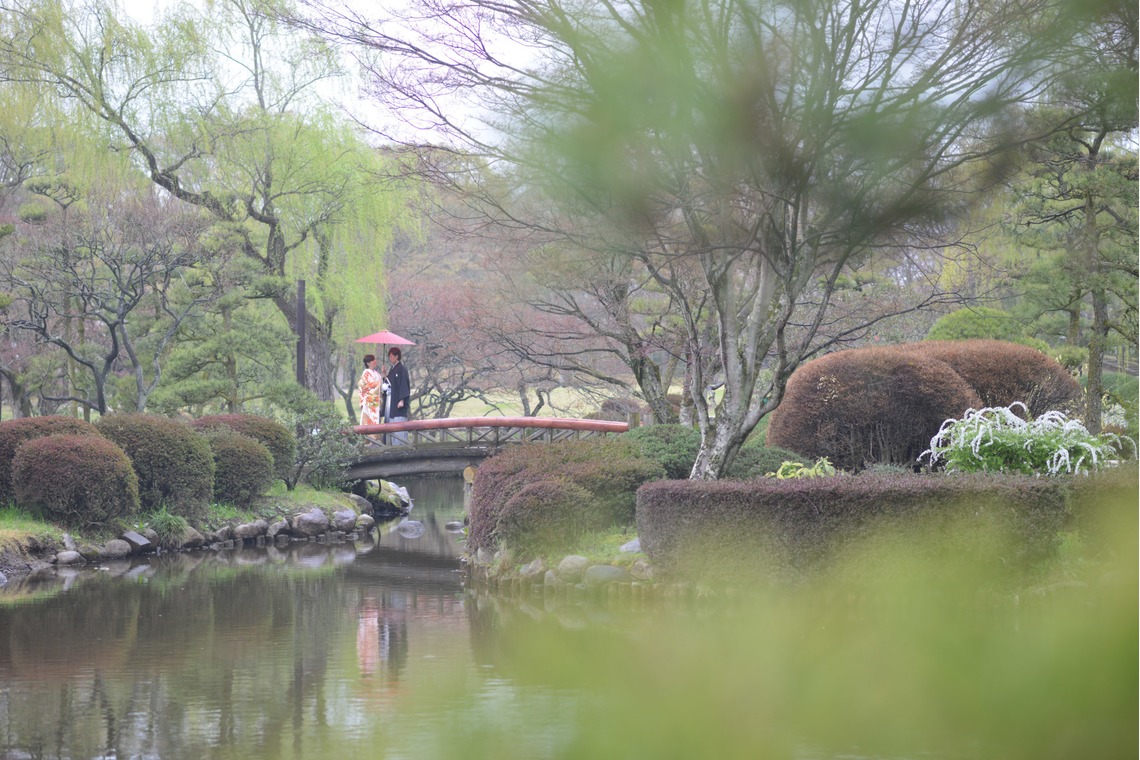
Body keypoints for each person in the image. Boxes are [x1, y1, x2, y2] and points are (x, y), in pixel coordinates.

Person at [386, 347, 411, 445]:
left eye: (391, 356)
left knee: (399, 426)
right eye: (389, 356)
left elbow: (404, 385)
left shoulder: (402, 369)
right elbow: (389, 383)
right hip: (392, 402)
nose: (390, 358)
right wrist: (385, 375)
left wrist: (402, 400)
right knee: (393, 425)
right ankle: (394, 446)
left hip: (399, 403)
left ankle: (401, 446)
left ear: (397, 356)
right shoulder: (393, 369)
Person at [357, 354, 384, 443]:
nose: (375, 361)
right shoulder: (366, 373)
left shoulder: (377, 373)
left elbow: (380, 386)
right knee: (369, 420)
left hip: (376, 400)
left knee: (376, 420)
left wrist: (383, 377)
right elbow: (364, 386)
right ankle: (369, 440)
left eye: (375, 359)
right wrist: (378, 384)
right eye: (373, 360)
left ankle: (375, 439)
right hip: (370, 401)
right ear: (368, 363)